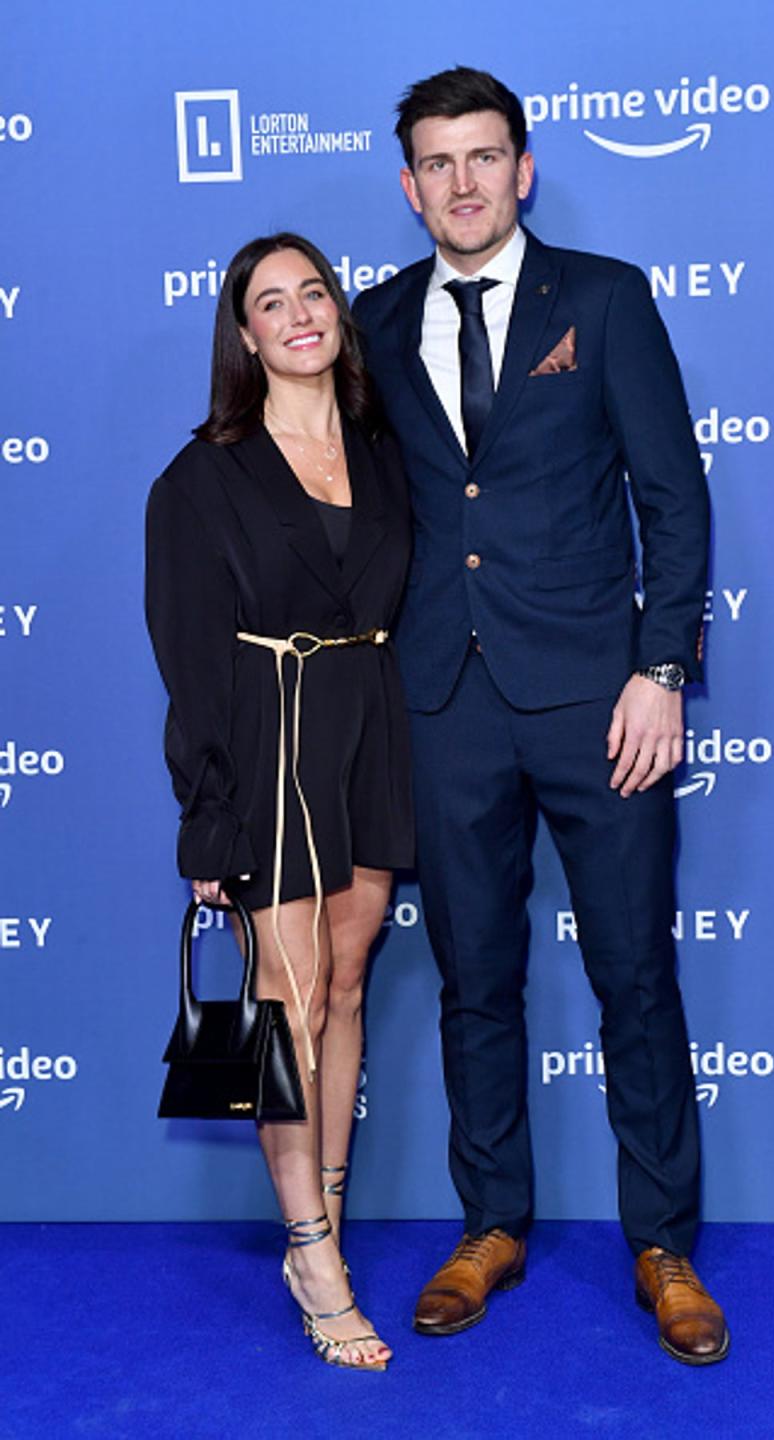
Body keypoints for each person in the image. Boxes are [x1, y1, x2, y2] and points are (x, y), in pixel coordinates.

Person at [352, 67, 728, 1364]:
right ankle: (491, 1224)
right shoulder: (374, 320)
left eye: (483, 157)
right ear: (409, 186)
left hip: (599, 702)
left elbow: (673, 501)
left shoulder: (609, 300)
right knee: (475, 981)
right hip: (441, 703)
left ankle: (663, 1244)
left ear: (523, 167)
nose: (462, 182)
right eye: (437, 164)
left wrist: (662, 671)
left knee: (634, 974)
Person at [146, 232, 413, 1371]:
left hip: (369, 723)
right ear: (243, 334)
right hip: (270, 735)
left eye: (315, 292)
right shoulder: (201, 474)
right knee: (287, 1002)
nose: (301, 313)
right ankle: (310, 1252)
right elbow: (191, 655)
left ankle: (331, 1222)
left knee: (347, 986)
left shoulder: (384, 445)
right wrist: (205, 817)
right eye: (272, 301)